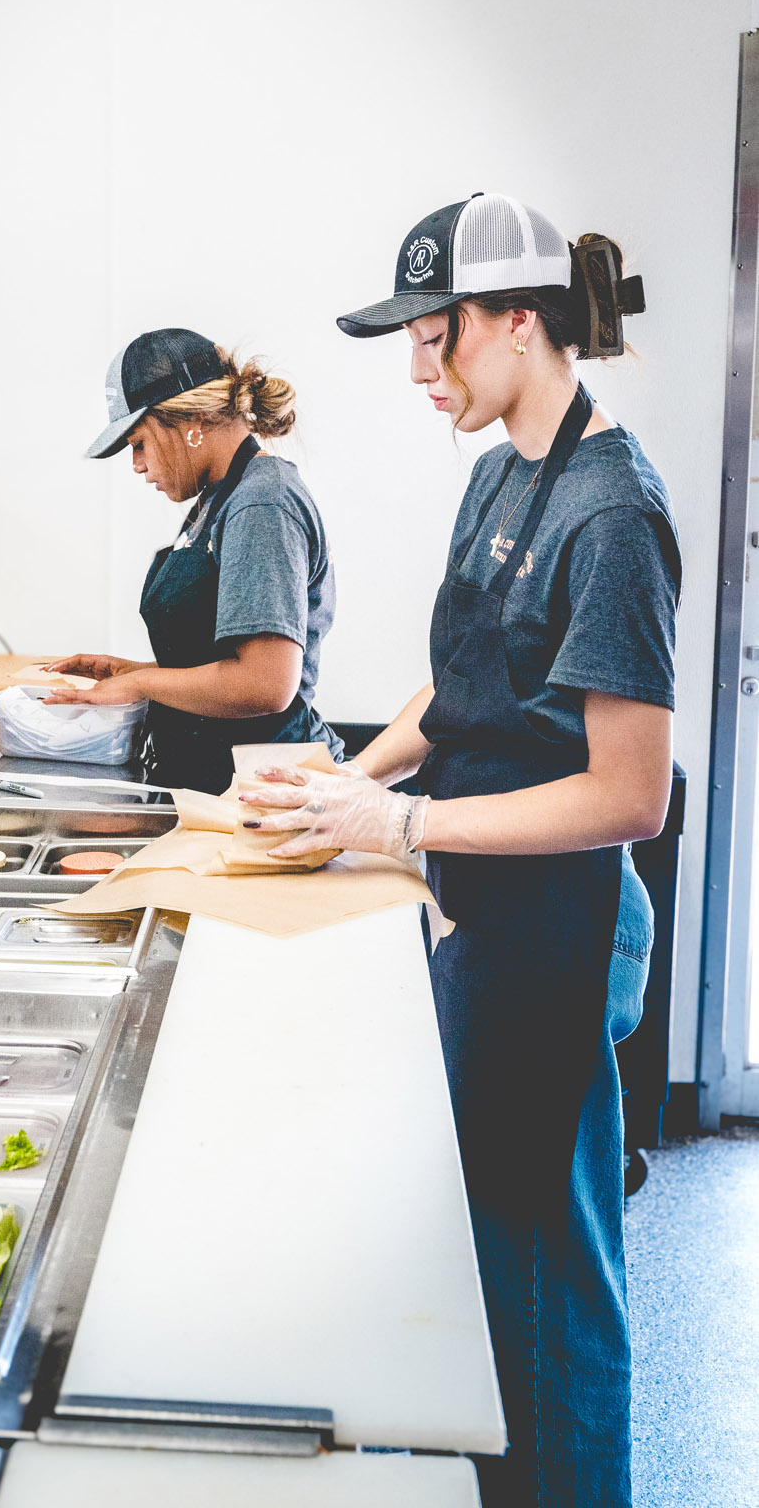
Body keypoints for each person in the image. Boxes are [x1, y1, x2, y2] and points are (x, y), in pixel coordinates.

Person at [239, 194, 680, 1508]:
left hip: (561, 920)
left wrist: (405, 825)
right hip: (482, 908)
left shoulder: (610, 512)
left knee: (552, 1274)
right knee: (492, 1245)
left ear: (519, 323)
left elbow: (629, 792)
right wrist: (348, 781)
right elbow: (465, 685)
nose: (418, 369)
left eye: (437, 337)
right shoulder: (498, 474)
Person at [44, 326, 343, 793]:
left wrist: (145, 687)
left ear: (189, 423)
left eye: (138, 443)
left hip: (266, 789)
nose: (137, 465)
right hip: (215, 782)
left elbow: (265, 684)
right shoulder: (218, 499)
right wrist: (134, 673)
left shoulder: (261, 503)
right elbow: (220, 662)